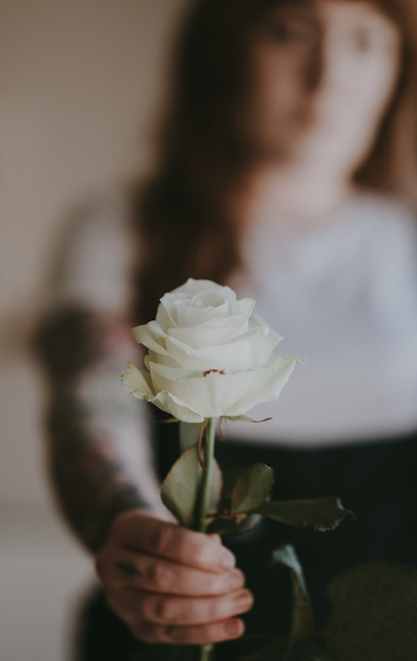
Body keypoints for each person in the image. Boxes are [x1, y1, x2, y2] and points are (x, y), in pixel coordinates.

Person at [35, 0, 417, 658]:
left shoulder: (405, 241)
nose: (328, 75)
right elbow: (88, 401)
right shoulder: (124, 226)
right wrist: (130, 528)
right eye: (289, 32)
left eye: (363, 41)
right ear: (222, 51)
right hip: (176, 633)